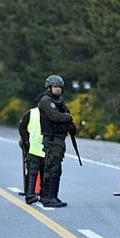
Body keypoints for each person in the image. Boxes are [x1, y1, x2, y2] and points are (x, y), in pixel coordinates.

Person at [37, 75, 76, 208]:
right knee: (51, 168)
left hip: (59, 138)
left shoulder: (59, 101)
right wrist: (67, 117)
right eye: (55, 86)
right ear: (49, 87)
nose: (58, 89)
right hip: (51, 139)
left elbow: (66, 116)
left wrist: (70, 124)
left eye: (60, 87)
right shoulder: (46, 101)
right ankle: (47, 197)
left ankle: (53, 196)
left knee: (57, 169)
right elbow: (55, 116)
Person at [18, 107, 45, 204]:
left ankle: (32, 194)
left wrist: (25, 140)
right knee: (37, 172)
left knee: (33, 172)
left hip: (37, 148)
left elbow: (21, 127)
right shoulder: (32, 113)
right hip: (36, 148)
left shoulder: (31, 113)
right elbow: (22, 127)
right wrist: (26, 140)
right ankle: (32, 195)